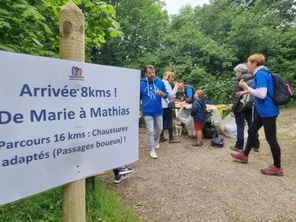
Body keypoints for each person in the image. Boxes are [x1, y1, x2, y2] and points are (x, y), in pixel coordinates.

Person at [231, 54, 283, 176]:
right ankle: (244, 155)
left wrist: (245, 86)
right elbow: (260, 90)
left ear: (254, 64)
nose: (247, 65)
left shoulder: (261, 74)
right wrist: (245, 91)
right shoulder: (262, 73)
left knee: (271, 139)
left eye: (248, 62)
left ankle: (277, 167)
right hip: (263, 111)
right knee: (252, 130)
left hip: (268, 112)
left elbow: (262, 94)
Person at [230, 63, 260, 152]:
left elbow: (236, 97)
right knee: (252, 125)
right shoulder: (253, 78)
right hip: (251, 106)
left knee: (240, 126)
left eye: (236, 72)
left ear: (240, 72)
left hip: (240, 107)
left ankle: (239, 146)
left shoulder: (239, 81)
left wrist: (233, 108)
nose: (236, 74)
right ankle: (255, 145)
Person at [140, 65, 168, 159]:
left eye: (153, 72)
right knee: (150, 131)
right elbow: (138, 97)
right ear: (145, 74)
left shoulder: (160, 83)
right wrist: (138, 109)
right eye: (149, 73)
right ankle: (152, 149)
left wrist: (163, 94)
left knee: (160, 128)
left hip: (158, 110)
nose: (152, 75)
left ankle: (156, 140)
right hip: (147, 111)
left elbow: (166, 95)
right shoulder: (141, 84)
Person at [160, 71, 181, 143]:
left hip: (162, 105)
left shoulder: (161, 82)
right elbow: (171, 94)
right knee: (169, 121)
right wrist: (176, 86)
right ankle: (171, 138)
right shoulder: (166, 83)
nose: (173, 79)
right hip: (166, 105)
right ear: (167, 77)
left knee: (162, 121)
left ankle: (161, 137)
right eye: (171, 77)